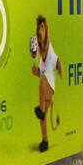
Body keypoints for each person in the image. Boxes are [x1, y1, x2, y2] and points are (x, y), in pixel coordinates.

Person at [32, 14, 59, 152]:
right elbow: (43, 73)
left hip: (49, 87)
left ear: (46, 29)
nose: (39, 31)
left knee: (43, 80)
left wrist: (60, 71)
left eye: (42, 28)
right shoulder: (41, 57)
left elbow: (56, 62)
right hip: (45, 90)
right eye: (38, 29)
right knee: (43, 120)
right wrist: (37, 71)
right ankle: (45, 141)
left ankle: (41, 111)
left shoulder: (50, 50)